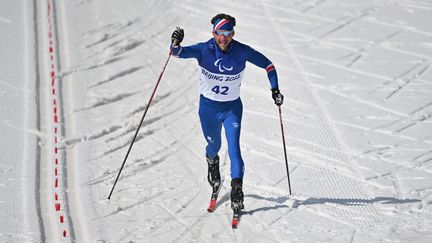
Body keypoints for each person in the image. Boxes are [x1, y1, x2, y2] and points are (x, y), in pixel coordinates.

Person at [170, 13, 283, 210]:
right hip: (208, 110)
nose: (223, 37)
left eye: (227, 32)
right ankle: (211, 160)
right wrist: (175, 41)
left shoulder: (242, 51)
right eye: (219, 33)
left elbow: (269, 65)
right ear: (213, 33)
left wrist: (275, 89)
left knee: (234, 149)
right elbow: (176, 53)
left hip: (232, 109)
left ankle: (237, 190)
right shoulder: (204, 50)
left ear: (233, 33)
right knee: (214, 146)